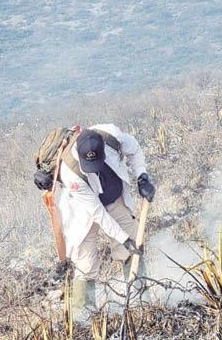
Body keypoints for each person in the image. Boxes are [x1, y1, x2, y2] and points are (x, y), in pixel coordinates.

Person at [57, 123, 155, 318]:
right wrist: (123, 238)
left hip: (114, 197)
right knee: (86, 263)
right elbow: (98, 214)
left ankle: (141, 303)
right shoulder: (70, 172)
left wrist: (142, 176)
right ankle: (83, 316)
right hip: (83, 210)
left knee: (132, 248)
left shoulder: (112, 137)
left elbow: (135, 150)